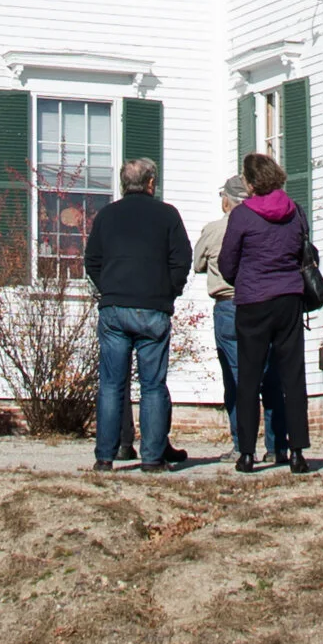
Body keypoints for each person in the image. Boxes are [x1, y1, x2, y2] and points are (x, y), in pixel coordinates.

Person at [84, 156, 194, 472]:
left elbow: (92, 260)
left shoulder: (107, 215)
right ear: (150, 183)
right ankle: (152, 458)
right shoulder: (167, 215)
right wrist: (167, 290)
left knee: (111, 385)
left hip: (115, 308)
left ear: (123, 184)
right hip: (152, 308)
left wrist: (110, 286)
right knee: (153, 385)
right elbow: (182, 259)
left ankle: (105, 457)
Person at [218, 149, 314, 475]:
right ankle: (297, 451)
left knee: (249, 377)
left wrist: (243, 277)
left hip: (253, 299)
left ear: (250, 181)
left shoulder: (243, 216)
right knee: (293, 377)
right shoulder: (295, 211)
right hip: (289, 298)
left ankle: (246, 453)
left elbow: (227, 264)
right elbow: (304, 251)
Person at [197, 175, 287, 463]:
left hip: (228, 306)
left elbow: (197, 262)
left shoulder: (214, 230)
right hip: (265, 303)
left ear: (228, 200)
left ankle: (242, 446)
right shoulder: (268, 226)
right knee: (269, 376)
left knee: (237, 380)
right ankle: (276, 448)